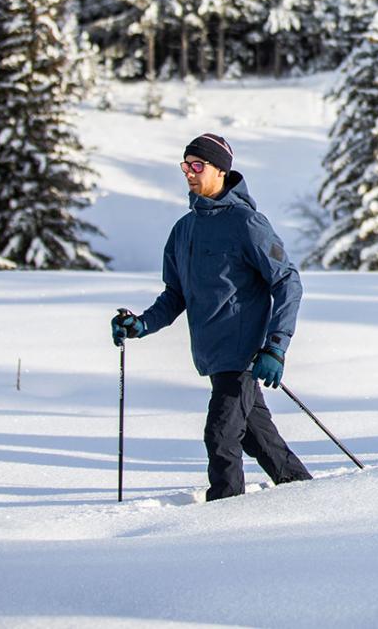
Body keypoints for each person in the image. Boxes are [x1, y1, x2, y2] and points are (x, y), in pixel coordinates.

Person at [111, 132, 312, 500]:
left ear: (221, 170)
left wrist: (275, 347)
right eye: (186, 165)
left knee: (220, 437)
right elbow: (175, 296)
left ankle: (222, 519)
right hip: (213, 356)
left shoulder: (247, 223)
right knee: (257, 435)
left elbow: (287, 281)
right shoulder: (182, 231)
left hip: (244, 355)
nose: (189, 172)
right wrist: (140, 325)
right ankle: (302, 493)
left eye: (198, 165)